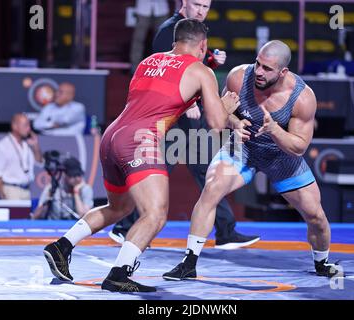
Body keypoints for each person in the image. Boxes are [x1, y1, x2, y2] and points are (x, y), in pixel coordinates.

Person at [43, 18, 241, 292]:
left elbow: (155, 104)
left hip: (112, 136)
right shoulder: (200, 70)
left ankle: (62, 246)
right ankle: (119, 273)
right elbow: (217, 123)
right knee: (156, 213)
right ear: (202, 45)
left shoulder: (148, 61)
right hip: (139, 140)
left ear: (175, 42)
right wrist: (226, 106)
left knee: (119, 208)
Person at [163, 40, 342, 281]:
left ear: (283, 72)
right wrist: (235, 123)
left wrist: (275, 130)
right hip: (244, 147)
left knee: (316, 216)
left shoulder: (302, 97)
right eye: (258, 64)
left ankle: (322, 263)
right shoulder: (239, 77)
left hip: (282, 157)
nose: (259, 71)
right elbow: (220, 113)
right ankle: (189, 262)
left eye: (267, 69)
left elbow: (299, 147)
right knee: (212, 189)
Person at [110, 0, 260, 250]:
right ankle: (124, 226)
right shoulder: (170, 30)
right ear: (184, 3)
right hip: (173, 117)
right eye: (197, 5)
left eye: (206, 7)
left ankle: (225, 230)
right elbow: (163, 68)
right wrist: (189, 105)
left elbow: (189, 67)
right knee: (157, 169)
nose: (202, 11)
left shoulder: (192, 30)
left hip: (184, 116)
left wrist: (211, 61)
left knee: (204, 168)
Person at [0, 113, 43, 200]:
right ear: (14, 126)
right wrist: (2, 196)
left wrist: (35, 146)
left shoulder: (27, 145)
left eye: (29, 125)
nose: (29, 128)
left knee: (25, 214)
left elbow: (39, 162)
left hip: (26, 190)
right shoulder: (3, 146)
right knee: (15, 214)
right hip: (11, 190)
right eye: (25, 125)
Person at [129, 0, 169, 72]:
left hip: (161, 7)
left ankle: (162, 66)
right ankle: (135, 67)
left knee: (163, 38)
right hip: (143, 7)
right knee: (138, 39)